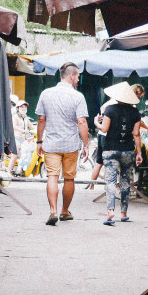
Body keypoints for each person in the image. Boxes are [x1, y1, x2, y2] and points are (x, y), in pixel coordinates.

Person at [35, 62, 90, 225]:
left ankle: (53, 210)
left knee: (52, 176)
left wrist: (39, 141)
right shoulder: (78, 96)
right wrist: (86, 144)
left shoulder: (46, 94)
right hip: (71, 145)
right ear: (71, 76)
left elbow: (41, 119)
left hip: (51, 144)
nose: (78, 80)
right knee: (69, 178)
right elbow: (81, 122)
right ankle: (64, 211)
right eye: (78, 76)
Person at [95, 81, 143, 225]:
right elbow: (136, 133)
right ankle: (124, 213)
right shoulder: (135, 112)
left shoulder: (109, 109)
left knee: (110, 181)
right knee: (125, 181)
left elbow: (104, 129)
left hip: (110, 149)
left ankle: (110, 212)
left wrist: (96, 122)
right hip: (127, 150)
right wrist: (139, 153)